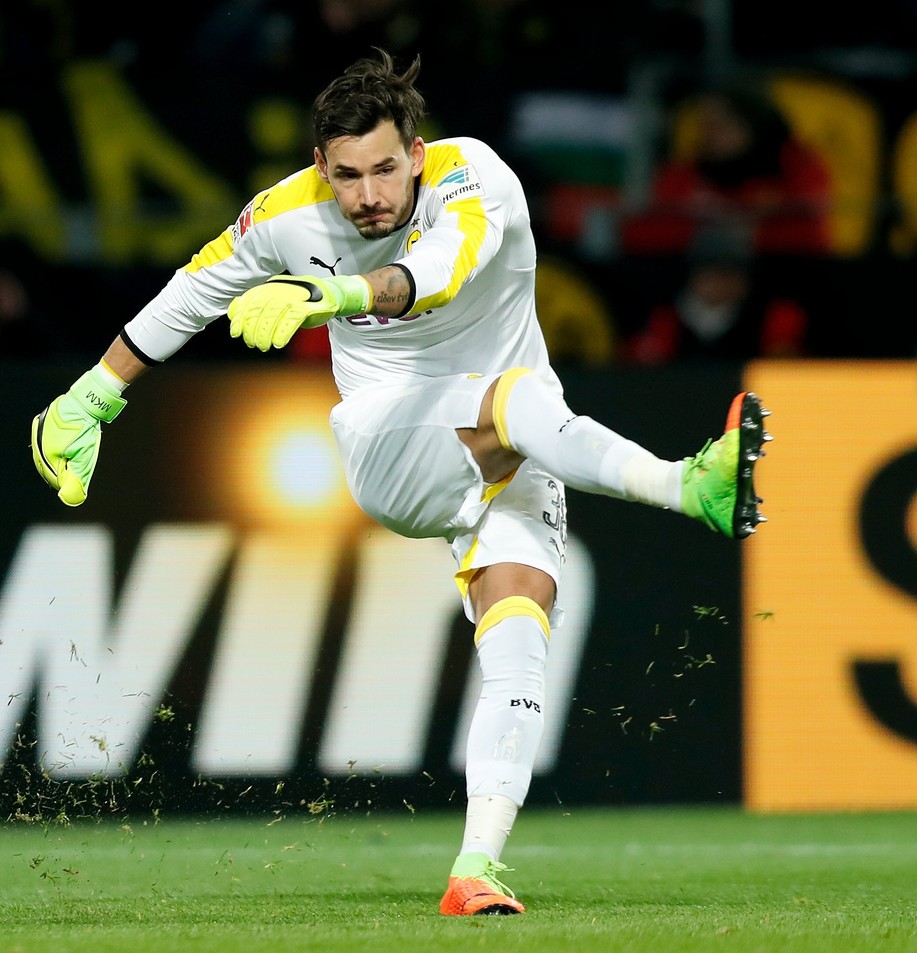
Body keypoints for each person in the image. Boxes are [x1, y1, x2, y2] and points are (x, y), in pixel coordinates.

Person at [29, 50, 770, 917]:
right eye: (346, 175)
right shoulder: (284, 216)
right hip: (395, 445)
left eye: (385, 168)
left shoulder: (476, 178)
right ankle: (691, 488)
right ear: (321, 168)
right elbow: (190, 294)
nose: (368, 194)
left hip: (517, 443)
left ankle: (475, 869)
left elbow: (435, 276)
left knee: (520, 631)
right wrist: (94, 394)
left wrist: (337, 295)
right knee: (523, 395)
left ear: (416, 152)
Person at [621, 81, 833, 257]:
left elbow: (808, 230)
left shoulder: (795, 163)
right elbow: (642, 233)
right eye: (704, 125)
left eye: (719, 125)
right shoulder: (688, 171)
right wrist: (702, 230)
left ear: (751, 125)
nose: (708, 135)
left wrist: (751, 229)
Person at [626, 221, 809, 364]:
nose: (726, 283)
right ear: (696, 276)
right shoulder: (666, 320)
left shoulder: (769, 317)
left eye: (735, 273)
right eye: (717, 273)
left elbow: (783, 372)